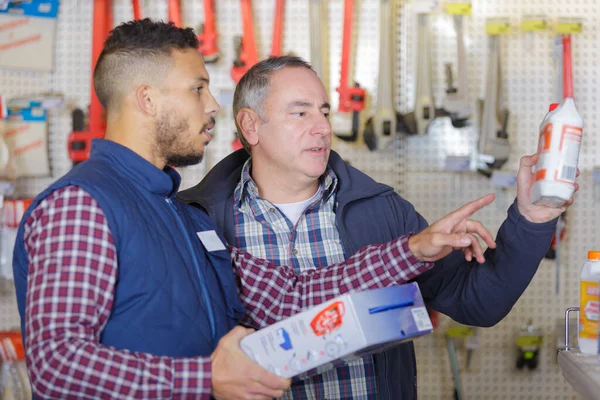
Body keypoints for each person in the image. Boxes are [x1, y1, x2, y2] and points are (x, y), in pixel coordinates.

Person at [12, 20, 498, 400]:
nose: (212, 108)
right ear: (147, 99)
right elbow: (58, 366)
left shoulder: (183, 216)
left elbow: (292, 296)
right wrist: (204, 378)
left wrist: (414, 249)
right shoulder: (82, 205)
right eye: (197, 88)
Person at [178, 55, 578, 400]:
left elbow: (479, 303)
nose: (321, 127)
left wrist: (534, 217)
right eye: (300, 113)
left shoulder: (380, 212)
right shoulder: (198, 222)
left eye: (324, 111)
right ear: (251, 126)